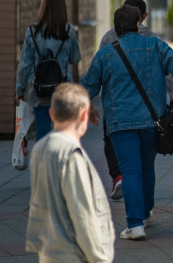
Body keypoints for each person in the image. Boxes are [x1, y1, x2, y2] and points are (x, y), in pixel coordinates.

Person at [81, 6, 173, 241]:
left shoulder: (105, 53)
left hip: (120, 122)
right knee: (147, 167)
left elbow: (88, 86)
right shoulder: (155, 45)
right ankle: (146, 212)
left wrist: (88, 108)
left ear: (115, 28)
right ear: (138, 24)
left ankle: (135, 224)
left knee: (129, 171)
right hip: (152, 121)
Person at [26, 83, 115, 263]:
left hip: (49, 250)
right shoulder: (71, 155)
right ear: (84, 114)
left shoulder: (40, 148)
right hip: (73, 253)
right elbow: (82, 214)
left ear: (51, 113)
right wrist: (99, 257)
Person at [99, 0, 166, 201]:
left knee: (115, 145)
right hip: (148, 110)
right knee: (146, 165)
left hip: (117, 108)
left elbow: (96, 74)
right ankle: (144, 212)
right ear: (141, 18)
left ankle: (118, 177)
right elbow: (172, 68)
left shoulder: (109, 39)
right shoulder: (153, 40)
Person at [15, 0, 82, 141]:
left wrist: (19, 89)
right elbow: (75, 58)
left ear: (43, 8)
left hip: (39, 90)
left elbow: (24, 64)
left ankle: (43, 163)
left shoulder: (32, 31)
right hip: (63, 90)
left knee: (42, 133)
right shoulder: (68, 31)